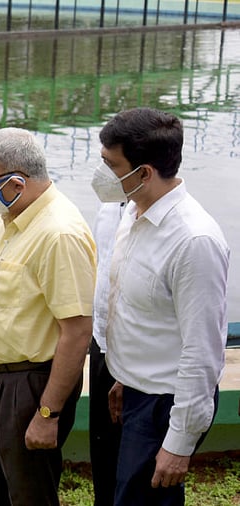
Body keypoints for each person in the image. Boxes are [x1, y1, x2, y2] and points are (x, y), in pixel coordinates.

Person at [97, 108, 229, 505]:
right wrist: (123, 374)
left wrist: (179, 443)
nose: (102, 173)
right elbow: (140, 313)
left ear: (144, 172)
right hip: (134, 388)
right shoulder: (134, 213)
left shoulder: (193, 241)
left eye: (110, 164)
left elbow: (203, 352)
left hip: (165, 402)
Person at [0, 127, 96, 505]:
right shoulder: (4, 219)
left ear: (18, 182)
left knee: (28, 494)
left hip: (29, 385)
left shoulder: (59, 234)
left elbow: (76, 331)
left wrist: (48, 413)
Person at [88, 201, 125, 506]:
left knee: (135, 468)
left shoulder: (183, 231)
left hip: (134, 357)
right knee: (102, 452)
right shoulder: (109, 207)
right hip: (101, 341)